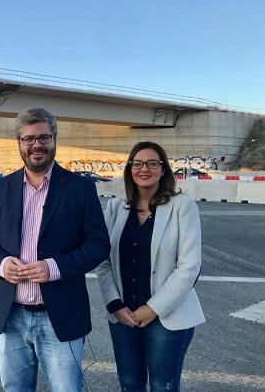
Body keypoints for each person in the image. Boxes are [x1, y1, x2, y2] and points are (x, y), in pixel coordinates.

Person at [0, 108, 110, 392]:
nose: (36, 145)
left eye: (43, 137)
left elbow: (99, 245)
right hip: (11, 316)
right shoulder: (1, 188)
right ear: (19, 143)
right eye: (28, 139)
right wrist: (1, 264)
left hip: (59, 316)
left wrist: (55, 267)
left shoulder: (80, 188)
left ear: (54, 138)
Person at [96, 141, 204, 392]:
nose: (144, 169)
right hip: (123, 315)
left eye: (152, 163)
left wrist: (152, 308)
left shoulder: (182, 207)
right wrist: (115, 305)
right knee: (130, 384)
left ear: (163, 169)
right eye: (138, 163)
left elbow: (189, 266)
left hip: (166, 317)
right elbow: (104, 262)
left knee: (162, 386)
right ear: (130, 169)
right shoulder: (116, 207)